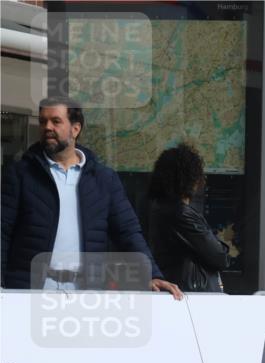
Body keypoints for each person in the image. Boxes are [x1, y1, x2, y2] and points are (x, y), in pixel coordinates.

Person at [1, 97, 181, 297]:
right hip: (30, 290)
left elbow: (128, 232)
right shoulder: (20, 174)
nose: (47, 127)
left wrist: (151, 274)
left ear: (75, 129)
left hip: (86, 294)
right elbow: (2, 231)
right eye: (43, 121)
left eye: (56, 121)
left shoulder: (104, 179)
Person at [148, 144, 229, 292]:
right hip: (192, 296)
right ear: (189, 179)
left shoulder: (158, 208)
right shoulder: (182, 214)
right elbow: (220, 256)